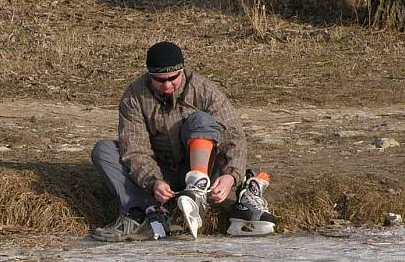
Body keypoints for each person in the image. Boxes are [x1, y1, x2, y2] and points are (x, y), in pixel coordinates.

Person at [91, 41, 276, 241]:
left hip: (205, 168)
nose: (168, 85)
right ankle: (145, 212)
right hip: (161, 173)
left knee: (201, 121)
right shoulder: (134, 96)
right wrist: (153, 181)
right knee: (104, 150)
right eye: (160, 80)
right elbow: (135, 149)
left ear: (182, 70)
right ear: (149, 75)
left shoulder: (204, 90)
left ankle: (197, 190)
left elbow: (234, 136)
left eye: (173, 78)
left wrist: (232, 176)